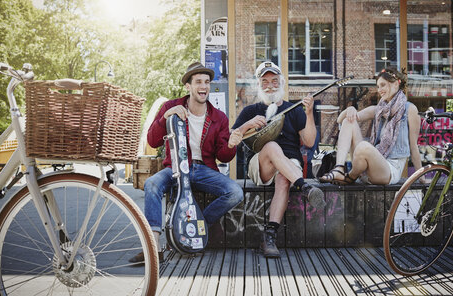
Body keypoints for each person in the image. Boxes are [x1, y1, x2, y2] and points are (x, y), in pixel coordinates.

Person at [129, 62, 244, 263]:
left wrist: (232, 145)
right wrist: (166, 116)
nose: (203, 86)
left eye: (207, 82)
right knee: (152, 184)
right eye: (198, 81)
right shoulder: (171, 107)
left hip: (204, 169)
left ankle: (197, 226)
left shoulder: (219, 117)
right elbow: (152, 141)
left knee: (235, 192)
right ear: (188, 86)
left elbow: (223, 156)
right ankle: (153, 247)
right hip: (174, 167)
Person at [231, 61, 325, 258]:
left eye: (274, 81)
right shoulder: (251, 111)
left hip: (289, 165)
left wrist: (309, 114)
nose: (270, 85)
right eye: (265, 82)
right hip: (262, 164)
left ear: (282, 82)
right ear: (258, 85)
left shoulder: (295, 108)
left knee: (284, 178)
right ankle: (304, 186)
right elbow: (231, 139)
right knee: (273, 147)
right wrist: (247, 124)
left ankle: (270, 235)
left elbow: (308, 141)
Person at [319, 67, 423, 186]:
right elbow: (340, 119)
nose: (380, 90)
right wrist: (350, 109)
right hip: (370, 165)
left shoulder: (410, 109)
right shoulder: (378, 110)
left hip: (389, 171)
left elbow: (414, 147)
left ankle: (351, 176)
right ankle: (339, 168)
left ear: (395, 84)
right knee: (349, 121)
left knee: (364, 146)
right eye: (378, 86)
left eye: (383, 85)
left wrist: (421, 177)